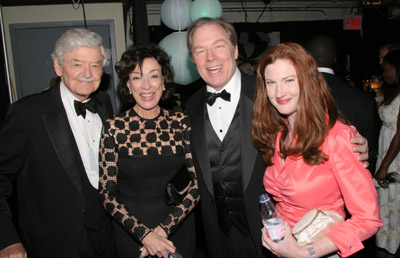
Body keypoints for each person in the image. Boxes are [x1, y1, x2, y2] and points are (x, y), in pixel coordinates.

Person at [184, 17, 370, 258]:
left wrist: (356, 143)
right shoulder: (191, 105)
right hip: (217, 238)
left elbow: (320, 119)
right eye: (201, 50)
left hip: (273, 237)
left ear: (235, 49)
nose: (211, 57)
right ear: (192, 59)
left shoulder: (272, 91)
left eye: (218, 46)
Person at [252, 42, 382, 258]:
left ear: (307, 82)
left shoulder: (336, 137)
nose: (279, 92)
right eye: (271, 82)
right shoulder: (276, 133)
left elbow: (368, 219)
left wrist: (305, 252)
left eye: (289, 80)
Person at [0, 28, 115, 257]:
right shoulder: (27, 113)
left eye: (95, 65)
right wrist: (7, 241)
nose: (87, 73)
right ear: (58, 67)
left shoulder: (103, 103)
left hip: (108, 237)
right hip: (54, 243)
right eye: (77, 64)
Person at [98, 44, 200, 258]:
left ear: (164, 81)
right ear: (128, 84)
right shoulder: (114, 127)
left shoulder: (181, 123)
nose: (146, 86)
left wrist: (162, 231)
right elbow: (107, 195)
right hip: (131, 235)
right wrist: (145, 235)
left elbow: (197, 185)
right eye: (136, 77)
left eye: (154, 76)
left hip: (178, 230)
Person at [305, 34, 379, 174]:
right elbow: (370, 151)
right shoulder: (363, 99)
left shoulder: (294, 96)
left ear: (307, 58)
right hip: (351, 175)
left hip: (308, 178)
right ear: (334, 59)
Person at [374, 49, 400, 258]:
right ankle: (387, 243)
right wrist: (379, 95)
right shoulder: (393, 90)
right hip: (386, 150)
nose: (385, 74)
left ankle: (395, 244)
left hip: (394, 155)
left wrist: (384, 165)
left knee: (394, 199)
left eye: (387, 69)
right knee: (385, 199)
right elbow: (385, 115)